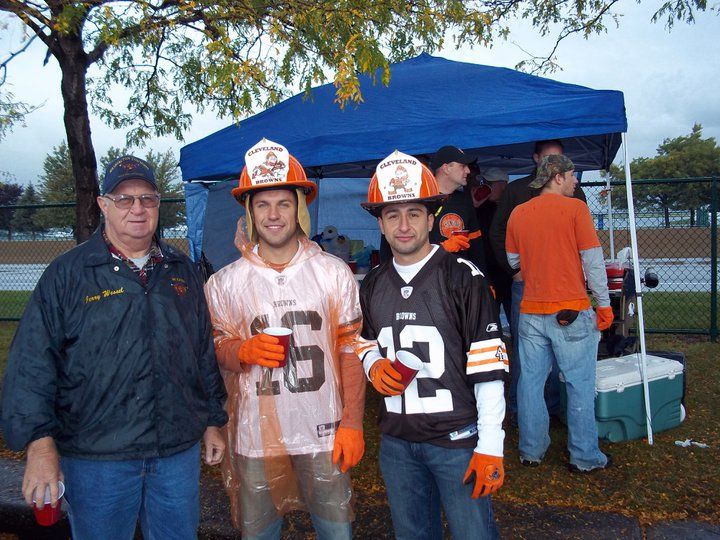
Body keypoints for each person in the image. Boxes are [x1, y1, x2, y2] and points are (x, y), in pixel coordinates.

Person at [1, 155, 228, 539]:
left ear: (159, 206)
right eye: (124, 199)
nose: (137, 208)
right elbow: (32, 363)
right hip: (97, 458)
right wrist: (39, 446)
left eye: (147, 198)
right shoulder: (69, 274)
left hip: (175, 453)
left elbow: (201, 352)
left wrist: (212, 421)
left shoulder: (182, 272)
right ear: (103, 205)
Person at [203, 138, 366, 539]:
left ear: (300, 208)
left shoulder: (333, 273)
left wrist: (353, 422)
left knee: (336, 531)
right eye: (262, 204)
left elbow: (350, 351)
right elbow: (212, 351)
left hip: (323, 428)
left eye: (283, 204)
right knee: (258, 534)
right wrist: (239, 349)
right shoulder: (225, 282)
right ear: (249, 211)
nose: (273, 215)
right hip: (256, 434)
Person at [357, 150, 508, 539]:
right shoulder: (372, 283)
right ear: (380, 221)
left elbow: (488, 366)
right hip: (396, 441)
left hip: (455, 440)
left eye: (414, 213)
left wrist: (491, 442)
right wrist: (373, 364)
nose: (403, 225)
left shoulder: (462, 277)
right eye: (392, 214)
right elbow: (363, 342)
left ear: (432, 217)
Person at [506, 154, 614, 473]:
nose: (576, 181)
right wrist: (604, 304)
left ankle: (531, 450)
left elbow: (514, 264)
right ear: (557, 177)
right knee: (579, 383)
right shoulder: (576, 209)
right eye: (572, 175)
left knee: (530, 383)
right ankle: (584, 457)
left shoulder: (518, 214)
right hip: (572, 309)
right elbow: (593, 262)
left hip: (530, 311)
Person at [488, 139, 587, 421]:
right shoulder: (517, 191)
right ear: (535, 159)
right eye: (547, 158)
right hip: (526, 286)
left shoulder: (573, 192)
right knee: (526, 351)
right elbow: (497, 232)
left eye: (559, 158)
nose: (554, 164)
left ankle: (555, 406)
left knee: (562, 350)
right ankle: (521, 409)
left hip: (565, 287)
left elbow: (585, 242)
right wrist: (513, 269)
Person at [430, 145, 486, 271]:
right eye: (462, 166)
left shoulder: (464, 200)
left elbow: (476, 246)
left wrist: (485, 281)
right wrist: (440, 249)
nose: (468, 171)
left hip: (461, 280)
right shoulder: (422, 200)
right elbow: (405, 248)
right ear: (446, 168)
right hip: (429, 281)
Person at [471, 167, 511, 323]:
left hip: (506, 270)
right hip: (486, 270)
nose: (485, 186)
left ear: (502, 185)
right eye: (484, 183)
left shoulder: (510, 208)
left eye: (490, 183)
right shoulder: (479, 207)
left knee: (513, 313)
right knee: (489, 317)